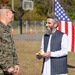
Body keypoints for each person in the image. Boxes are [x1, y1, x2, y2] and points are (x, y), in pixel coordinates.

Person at [0, 4, 19, 75]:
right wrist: (6, 67)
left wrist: (16, 63)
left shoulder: (7, 28)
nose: (13, 15)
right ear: (7, 13)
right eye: (12, 13)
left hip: (9, 70)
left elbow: (12, 48)